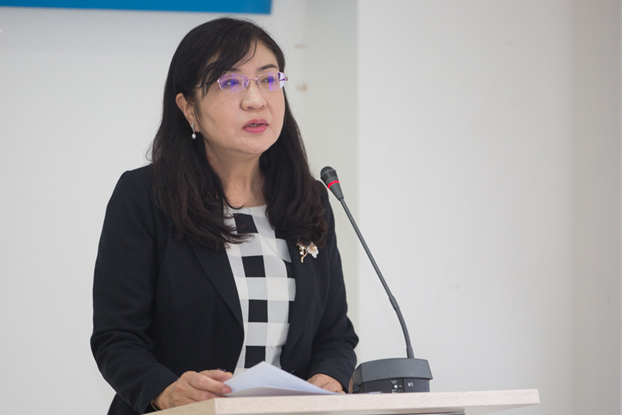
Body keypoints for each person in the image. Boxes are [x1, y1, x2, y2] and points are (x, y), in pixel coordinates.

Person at [91, 17, 358, 415]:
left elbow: (335, 334)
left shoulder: (309, 199)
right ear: (189, 108)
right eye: (230, 82)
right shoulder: (146, 197)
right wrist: (165, 390)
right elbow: (117, 337)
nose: (256, 99)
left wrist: (329, 377)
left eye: (269, 79)